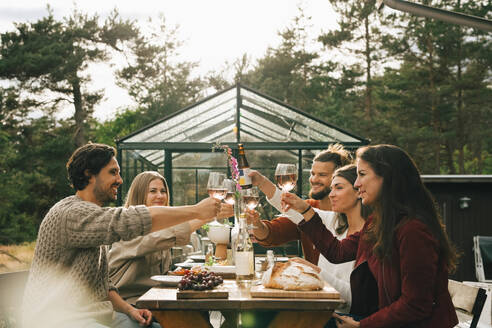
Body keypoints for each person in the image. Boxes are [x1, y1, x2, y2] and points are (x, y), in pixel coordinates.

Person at [22, 143, 220, 328]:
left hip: (96, 315)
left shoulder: (92, 216)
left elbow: (102, 284)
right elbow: (132, 219)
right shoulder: (71, 214)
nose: (120, 180)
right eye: (113, 172)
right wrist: (196, 211)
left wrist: (130, 310)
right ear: (89, 174)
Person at [282, 144, 458, 328]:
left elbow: (415, 305)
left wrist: (362, 325)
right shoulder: (379, 223)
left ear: (387, 177)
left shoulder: (414, 230)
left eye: (362, 174)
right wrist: (305, 210)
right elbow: (338, 252)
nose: (357, 184)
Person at [246, 144, 357, 307]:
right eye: (312, 173)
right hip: (320, 303)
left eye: (322, 175)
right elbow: (293, 212)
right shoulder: (329, 218)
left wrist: (313, 270)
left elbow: (356, 297)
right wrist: (261, 182)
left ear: (358, 190)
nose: (313, 179)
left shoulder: (369, 232)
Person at [107, 171, 233, 304]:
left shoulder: (160, 226)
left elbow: (160, 274)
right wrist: (204, 215)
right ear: (139, 194)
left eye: (163, 191)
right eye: (153, 191)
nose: (160, 196)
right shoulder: (127, 227)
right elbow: (158, 239)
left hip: (154, 297)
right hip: (129, 303)